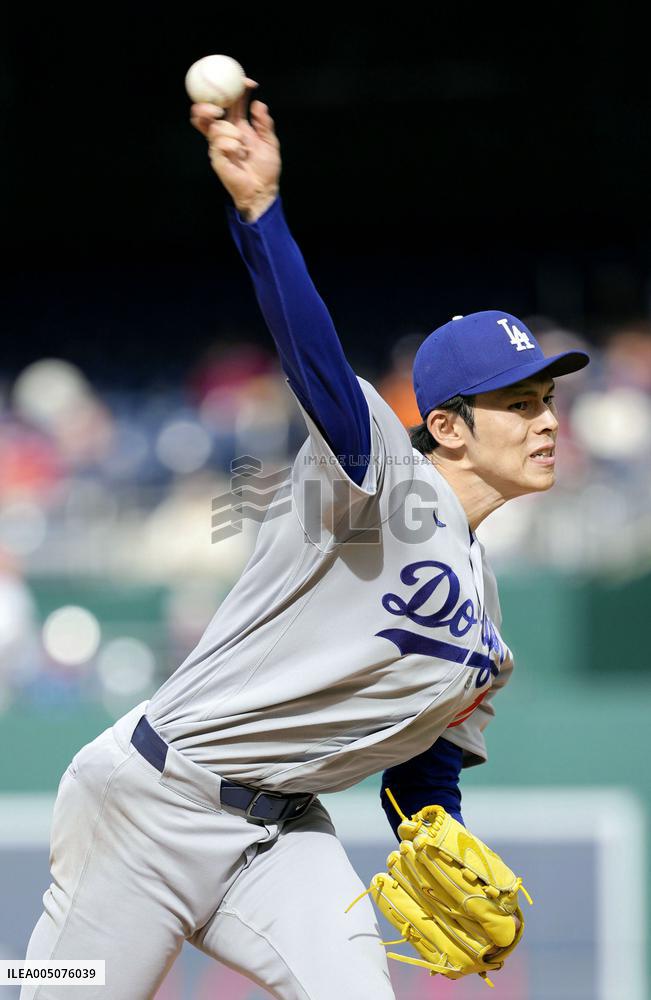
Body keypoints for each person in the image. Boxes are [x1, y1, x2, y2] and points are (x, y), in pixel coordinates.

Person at [21, 79, 588, 1000]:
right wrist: (259, 213)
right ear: (446, 427)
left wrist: (434, 825)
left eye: (547, 401)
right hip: (149, 805)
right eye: (517, 404)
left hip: (280, 836)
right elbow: (317, 362)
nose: (545, 422)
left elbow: (422, 752)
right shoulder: (380, 482)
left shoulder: (484, 620)